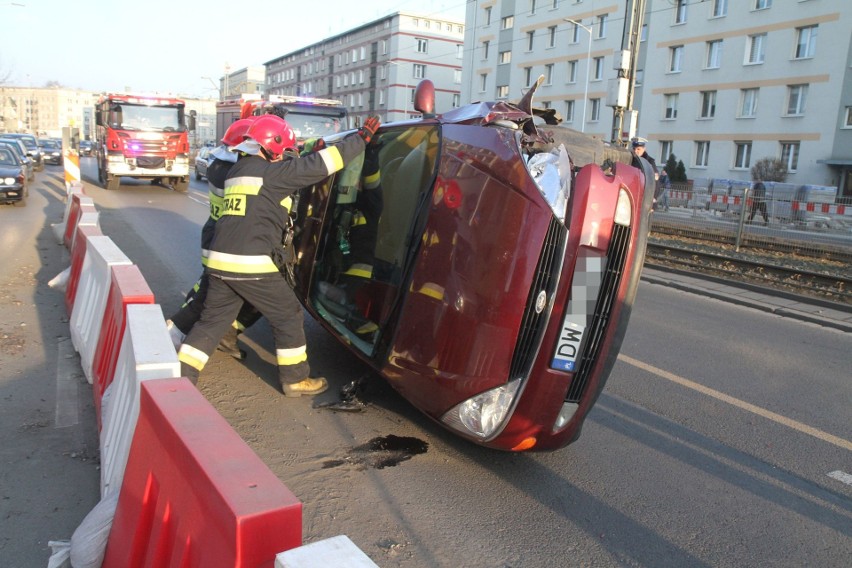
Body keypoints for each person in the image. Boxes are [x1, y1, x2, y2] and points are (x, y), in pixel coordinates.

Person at [177, 113, 381, 397]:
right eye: (281, 150)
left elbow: (292, 167)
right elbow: (318, 167)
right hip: (249, 262)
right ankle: (296, 378)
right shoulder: (271, 175)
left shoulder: (240, 170)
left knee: (212, 320)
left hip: (219, 260)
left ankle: (180, 377)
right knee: (287, 313)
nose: (281, 156)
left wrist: (308, 149)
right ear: (270, 145)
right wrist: (360, 141)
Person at [166, 118, 262, 359]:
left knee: (208, 285)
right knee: (213, 290)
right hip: (227, 238)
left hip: (215, 233)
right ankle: (182, 332)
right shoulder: (237, 173)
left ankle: (184, 329)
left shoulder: (219, 165)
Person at [631, 137, 660, 208]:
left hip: (645, 197)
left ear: (644, 149)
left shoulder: (649, 162)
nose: (635, 151)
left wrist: (654, 198)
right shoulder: (630, 160)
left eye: (638, 149)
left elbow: (655, 181)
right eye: (634, 149)